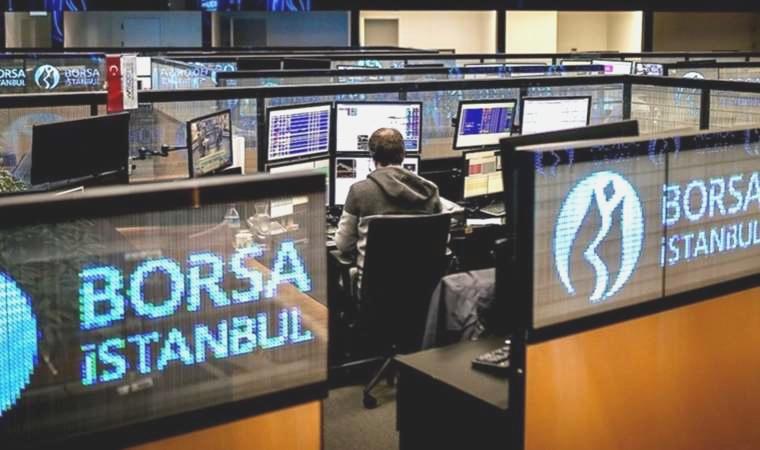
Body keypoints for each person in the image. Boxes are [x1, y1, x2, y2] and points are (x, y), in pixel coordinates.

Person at [335, 128, 443, 280]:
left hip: (373, 289)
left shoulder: (359, 191)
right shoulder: (430, 190)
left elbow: (344, 245)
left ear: (372, 156)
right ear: (404, 155)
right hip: (423, 287)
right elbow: (441, 241)